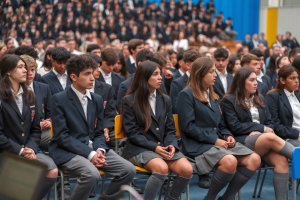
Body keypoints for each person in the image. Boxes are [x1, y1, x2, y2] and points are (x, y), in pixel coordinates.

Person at [49, 54, 135, 200]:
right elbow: (62, 137)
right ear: (74, 77)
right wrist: (91, 154)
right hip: (68, 151)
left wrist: (99, 149)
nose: (93, 78)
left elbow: (99, 132)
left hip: (94, 148)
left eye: (92, 72)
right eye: (87, 74)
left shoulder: (97, 99)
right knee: (92, 174)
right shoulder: (59, 99)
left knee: (128, 170)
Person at [177, 57, 260, 200]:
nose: (215, 75)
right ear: (200, 74)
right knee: (230, 161)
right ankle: (210, 198)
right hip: (197, 145)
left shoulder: (213, 95)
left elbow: (221, 124)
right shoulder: (186, 95)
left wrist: (227, 135)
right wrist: (215, 140)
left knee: (255, 159)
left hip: (216, 143)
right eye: (211, 72)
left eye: (215, 72)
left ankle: (226, 197)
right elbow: (188, 127)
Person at [122, 60, 193, 200]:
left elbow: (170, 129)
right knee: (162, 168)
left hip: (163, 146)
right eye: (155, 74)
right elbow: (132, 134)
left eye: (160, 74)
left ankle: (170, 198)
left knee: (187, 169)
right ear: (144, 77)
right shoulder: (129, 100)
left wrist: (172, 144)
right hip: (139, 148)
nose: (160, 77)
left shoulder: (165, 99)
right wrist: (155, 147)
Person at [221, 67, 295, 200]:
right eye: (252, 80)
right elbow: (234, 126)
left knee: (281, 161)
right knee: (269, 137)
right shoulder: (229, 100)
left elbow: (271, 123)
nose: (256, 83)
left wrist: (262, 130)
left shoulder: (259, 98)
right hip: (241, 141)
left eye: (256, 80)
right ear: (241, 82)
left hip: (263, 141)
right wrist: (260, 128)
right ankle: (297, 157)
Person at [0, 54, 58, 199]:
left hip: (28, 149)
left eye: (25, 67)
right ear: (8, 71)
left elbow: (36, 129)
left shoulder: (29, 95)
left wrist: (31, 148)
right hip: (6, 151)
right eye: (20, 67)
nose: (25, 71)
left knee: (52, 171)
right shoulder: (1, 97)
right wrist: (21, 151)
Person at [20, 54, 52, 150]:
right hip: (25, 134)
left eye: (33, 70)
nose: (30, 73)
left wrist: (49, 121)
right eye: (27, 70)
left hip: (44, 131)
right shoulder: (15, 89)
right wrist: (38, 125)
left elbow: (51, 111)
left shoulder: (44, 87)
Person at [266, 65, 300, 147]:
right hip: (289, 137)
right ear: (282, 80)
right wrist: (297, 134)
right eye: (292, 78)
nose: (297, 81)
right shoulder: (273, 96)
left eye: (297, 78)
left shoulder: (298, 95)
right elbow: (276, 125)